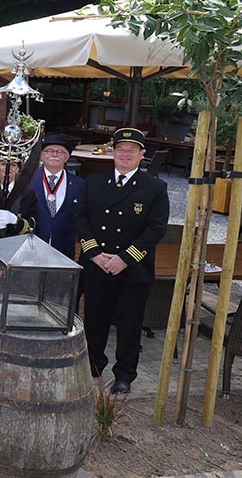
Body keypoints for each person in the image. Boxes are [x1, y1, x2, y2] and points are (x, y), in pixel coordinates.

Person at [74, 127, 168, 395]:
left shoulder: (155, 188)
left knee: (129, 324)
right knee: (95, 320)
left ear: (142, 155)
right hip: (97, 265)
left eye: (131, 151)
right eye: (120, 150)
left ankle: (125, 374)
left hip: (133, 270)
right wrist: (93, 253)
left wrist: (124, 259)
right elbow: (80, 218)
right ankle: (93, 364)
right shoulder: (94, 182)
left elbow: (156, 229)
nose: (125, 155)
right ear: (112, 153)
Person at [32, 135, 83, 258]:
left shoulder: (80, 185)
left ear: (67, 157)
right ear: (42, 155)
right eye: (49, 151)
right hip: (31, 248)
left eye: (60, 152)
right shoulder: (26, 181)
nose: (54, 154)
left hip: (63, 252)